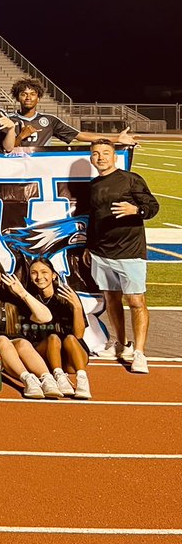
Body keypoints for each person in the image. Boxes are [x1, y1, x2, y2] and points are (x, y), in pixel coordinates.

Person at [86, 138, 158, 373]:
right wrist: (89, 245)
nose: (101, 157)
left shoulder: (131, 179)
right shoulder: (94, 184)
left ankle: (139, 352)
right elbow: (93, 218)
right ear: (91, 157)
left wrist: (136, 209)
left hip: (129, 252)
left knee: (136, 301)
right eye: (96, 153)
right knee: (112, 300)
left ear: (115, 156)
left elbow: (153, 207)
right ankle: (120, 344)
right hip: (101, 252)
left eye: (105, 153)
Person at [0, 258, 67, 399]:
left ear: (1, 275)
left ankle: (47, 379)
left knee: (23, 343)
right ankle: (28, 380)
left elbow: (45, 317)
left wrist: (22, 294)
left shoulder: (9, 297)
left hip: (7, 348)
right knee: (2, 340)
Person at [23, 258, 91, 396]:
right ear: (30, 277)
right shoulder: (29, 299)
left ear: (53, 275)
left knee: (70, 339)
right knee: (53, 338)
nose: (39, 277)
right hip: (45, 353)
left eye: (44, 272)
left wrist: (77, 307)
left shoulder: (66, 296)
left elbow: (79, 336)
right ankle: (59, 378)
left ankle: (83, 380)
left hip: (71, 357)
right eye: (34, 273)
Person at [10, 78, 138, 147]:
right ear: (17, 97)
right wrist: (21, 136)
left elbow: (80, 135)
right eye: (24, 94)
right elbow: (3, 150)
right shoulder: (8, 120)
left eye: (32, 94)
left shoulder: (49, 121)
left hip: (40, 170)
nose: (28, 97)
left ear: (38, 98)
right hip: (14, 170)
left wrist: (116, 139)